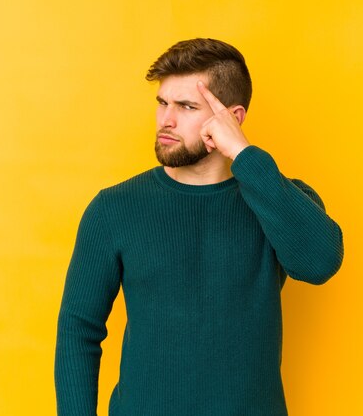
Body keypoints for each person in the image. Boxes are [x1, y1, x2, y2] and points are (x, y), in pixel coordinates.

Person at [55, 38, 344, 416]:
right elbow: (79, 329)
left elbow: (320, 263)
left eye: (187, 107)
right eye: (162, 103)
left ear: (232, 118)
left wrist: (244, 155)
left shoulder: (277, 198)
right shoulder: (114, 209)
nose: (166, 120)